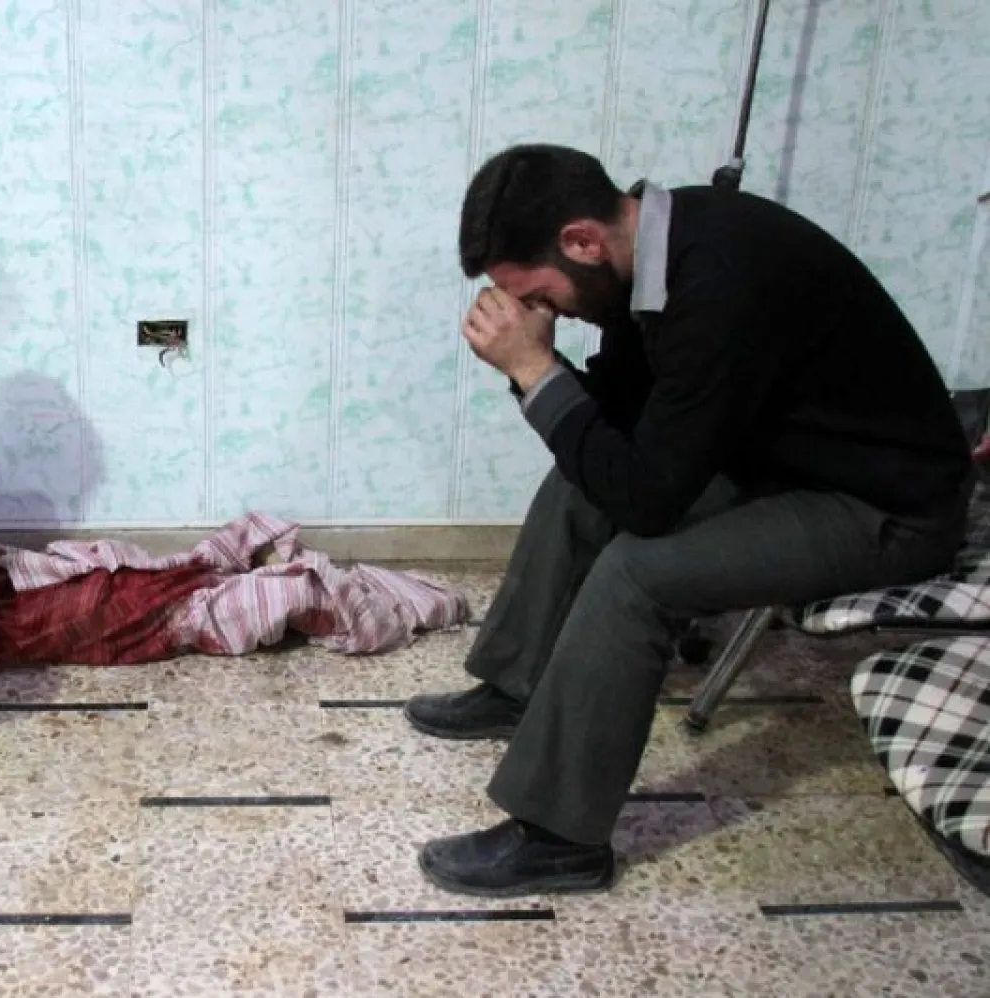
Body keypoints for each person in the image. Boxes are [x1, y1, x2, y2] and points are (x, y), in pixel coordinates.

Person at [407, 144, 973, 897]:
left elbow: (648, 501)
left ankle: (561, 841)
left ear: (581, 242)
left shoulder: (724, 283)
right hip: (779, 469)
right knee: (580, 484)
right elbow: (619, 426)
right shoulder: (654, 261)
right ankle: (520, 686)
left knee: (638, 577)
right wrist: (539, 380)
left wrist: (536, 372)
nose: (541, 313)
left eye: (536, 293)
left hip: (884, 506)